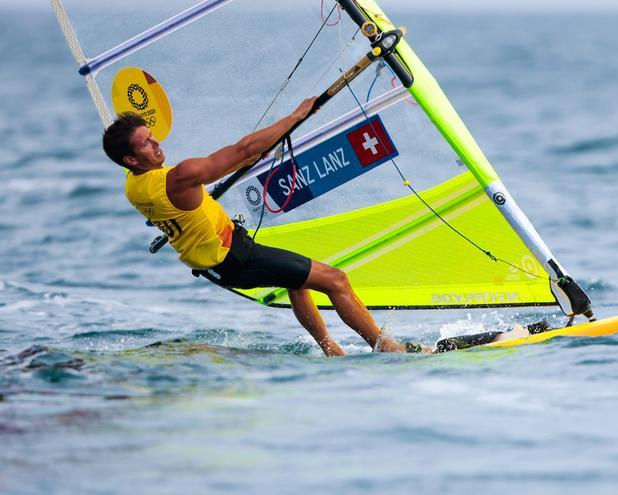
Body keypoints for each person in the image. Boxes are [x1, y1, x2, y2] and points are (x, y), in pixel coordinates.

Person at [101, 97, 416, 357]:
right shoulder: (177, 177)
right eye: (146, 143)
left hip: (216, 265)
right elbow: (242, 149)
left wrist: (247, 158)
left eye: (152, 135)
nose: (156, 143)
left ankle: (330, 348)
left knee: (296, 279)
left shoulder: (134, 186)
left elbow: (235, 161)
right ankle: (386, 348)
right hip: (235, 257)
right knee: (336, 280)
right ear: (130, 159)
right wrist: (297, 115)